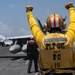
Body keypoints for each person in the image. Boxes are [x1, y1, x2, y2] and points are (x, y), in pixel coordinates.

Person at [26, 2, 75, 75]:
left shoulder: (41, 39)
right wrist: (71, 8)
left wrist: (29, 12)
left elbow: (33, 26)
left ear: (46, 26)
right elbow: (73, 22)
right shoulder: (69, 38)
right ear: (63, 25)